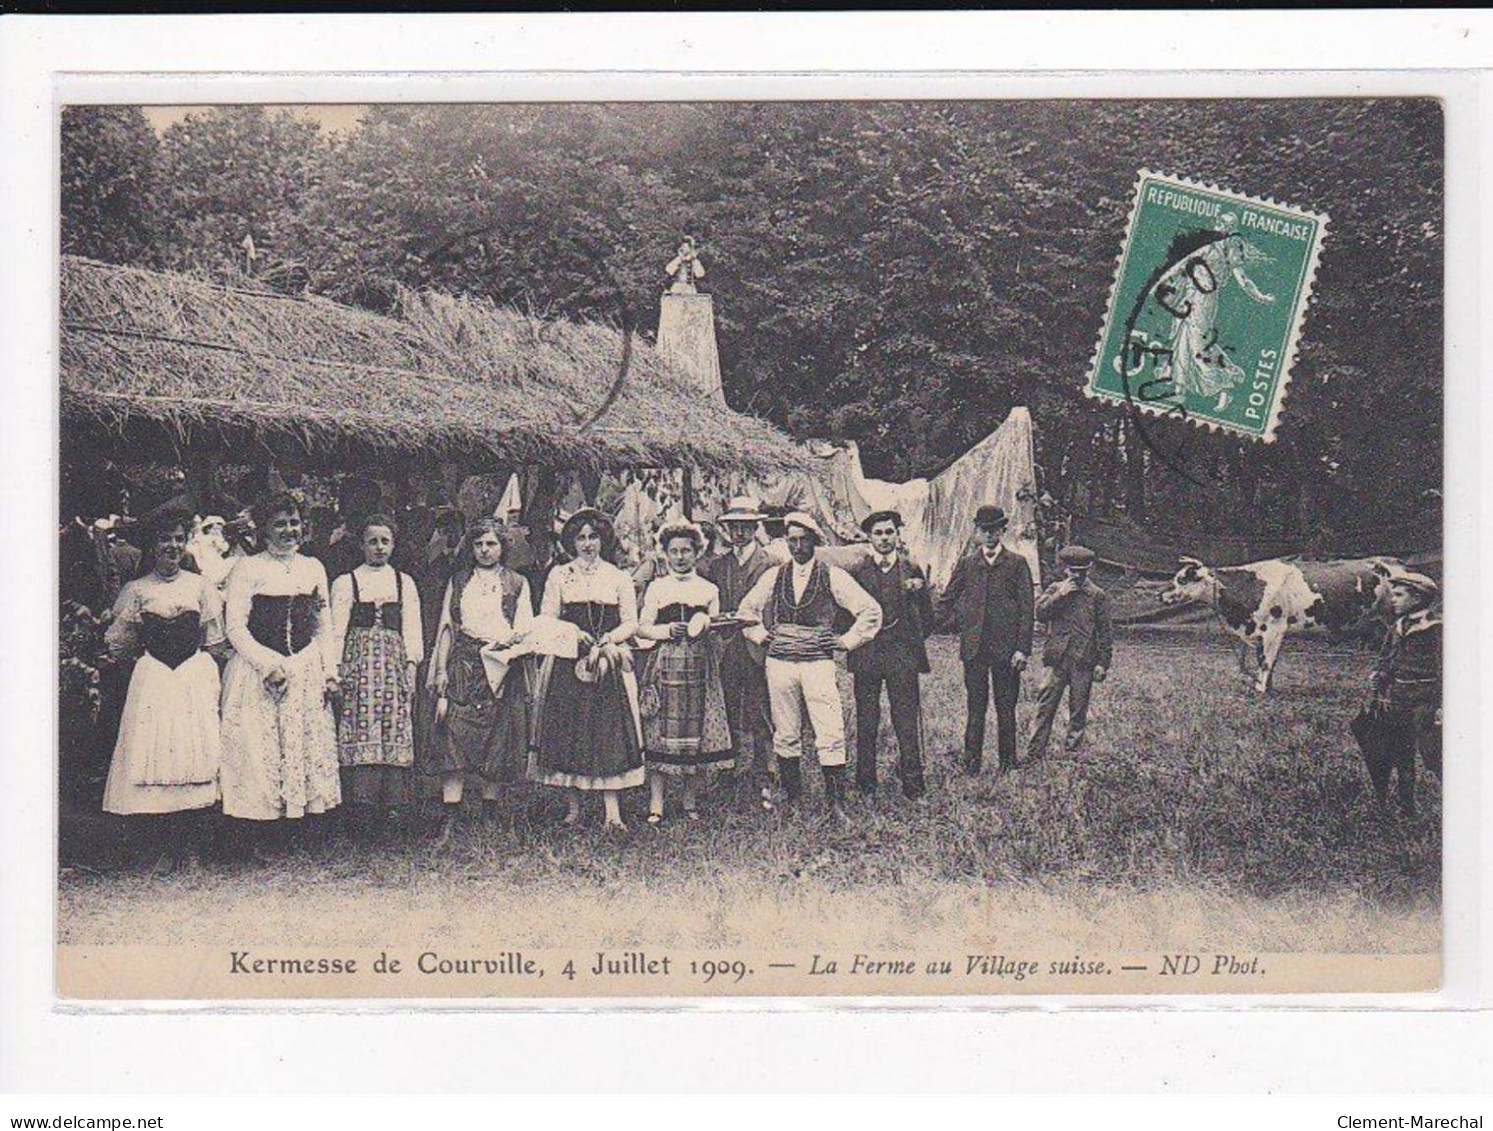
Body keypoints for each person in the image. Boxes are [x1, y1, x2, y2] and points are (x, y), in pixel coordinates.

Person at [101, 505, 225, 871]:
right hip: (154, 677)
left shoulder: (199, 586)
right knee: (154, 754)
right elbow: (118, 643)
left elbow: (214, 639)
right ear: (152, 545)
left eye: (178, 539)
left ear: (186, 542)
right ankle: (159, 848)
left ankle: (191, 848)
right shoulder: (136, 590)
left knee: (191, 752)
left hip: (191, 677)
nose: (172, 546)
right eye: (164, 540)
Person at [219, 492, 341, 845]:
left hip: (304, 666)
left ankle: (299, 826)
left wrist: (329, 671)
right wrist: (267, 665)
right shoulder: (247, 567)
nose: (289, 530)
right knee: (260, 746)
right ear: (264, 529)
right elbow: (235, 628)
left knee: (303, 742)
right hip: (259, 669)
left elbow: (323, 625)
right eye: (280, 524)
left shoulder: (313, 567)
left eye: (294, 523)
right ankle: (257, 828)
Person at [738, 512, 881, 812]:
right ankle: (793, 799)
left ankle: (835, 804)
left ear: (815, 542)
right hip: (780, 663)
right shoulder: (774, 575)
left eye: (804, 540)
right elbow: (747, 611)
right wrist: (762, 636)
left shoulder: (832, 575)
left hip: (818, 663)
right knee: (786, 731)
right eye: (793, 540)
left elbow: (870, 611)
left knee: (829, 730)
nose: (798, 547)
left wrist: (845, 641)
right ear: (786, 542)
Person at [530, 508, 644, 830]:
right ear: (571, 542)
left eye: (593, 536)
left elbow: (631, 622)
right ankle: (573, 808)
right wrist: (572, 633)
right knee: (569, 730)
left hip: (607, 659)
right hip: (569, 658)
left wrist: (610, 639)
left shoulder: (618, 577)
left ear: (603, 539)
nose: (587, 544)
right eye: (580, 537)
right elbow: (546, 617)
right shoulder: (560, 575)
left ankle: (612, 813)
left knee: (608, 732)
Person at [430, 518, 534, 845]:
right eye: (479, 544)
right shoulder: (459, 581)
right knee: (454, 735)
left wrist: (507, 650)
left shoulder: (517, 583)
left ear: (503, 547)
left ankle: (490, 812)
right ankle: (451, 816)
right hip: (463, 662)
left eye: (491, 544)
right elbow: (448, 626)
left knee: (498, 738)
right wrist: (441, 669)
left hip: (502, 664)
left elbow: (524, 629)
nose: (485, 551)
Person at [330, 515, 424, 839]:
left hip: (393, 665)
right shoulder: (347, 582)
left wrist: (411, 667)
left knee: (393, 727)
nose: (379, 547)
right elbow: (336, 631)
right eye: (373, 541)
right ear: (362, 545)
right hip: (360, 663)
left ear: (394, 545)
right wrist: (337, 671)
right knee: (361, 725)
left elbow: (413, 629)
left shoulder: (404, 582)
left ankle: (394, 808)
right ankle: (361, 808)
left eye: (385, 541)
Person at [636, 520, 733, 824]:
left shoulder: (708, 589)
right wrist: (665, 630)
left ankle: (689, 801)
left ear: (697, 553)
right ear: (664, 554)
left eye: (686, 551)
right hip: (664, 663)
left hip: (699, 664)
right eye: (674, 551)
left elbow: (718, 631)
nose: (680, 557)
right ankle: (656, 804)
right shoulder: (657, 587)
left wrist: (707, 628)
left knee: (694, 733)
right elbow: (641, 629)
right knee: (659, 734)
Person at [937, 505, 1034, 774]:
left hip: (1006, 651)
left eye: (995, 530)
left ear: (1003, 531)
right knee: (975, 708)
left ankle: (1007, 763)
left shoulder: (1017, 564)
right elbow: (947, 599)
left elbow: (1027, 609)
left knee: (1006, 708)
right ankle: (971, 764)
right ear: (977, 532)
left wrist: (1022, 649)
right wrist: (922, 628)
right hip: (975, 649)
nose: (990, 535)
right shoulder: (968, 564)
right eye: (984, 530)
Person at [847, 509, 933, 800]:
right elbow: (846, 617)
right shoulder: (857, 573)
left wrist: (911, 642)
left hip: (901, 656)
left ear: (898, 535)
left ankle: (914, 787)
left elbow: (928, 617)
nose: (884, 538)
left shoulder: (911, 569)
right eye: (878, 533)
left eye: (889, 532)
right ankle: (866, 785)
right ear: (869, 538)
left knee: (906, 721)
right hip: (867, 657)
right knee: (867, 722)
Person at [701, 497, 777, 800]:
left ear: (756, 527)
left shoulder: (771, 563)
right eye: (734, 527)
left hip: (758, 646)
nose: (740, 533)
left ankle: (764, 772)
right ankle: (727, 768)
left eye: (746, 527)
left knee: (760, 710)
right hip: (727, 647)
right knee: (728, 708)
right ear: (726, 530)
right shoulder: (718, 565)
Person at [1364, 567, 1442, 816]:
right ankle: (1406, 808)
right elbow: (1387, 657)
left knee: (1432, 754)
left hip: (1427, 698)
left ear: (1417, 598)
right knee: (1401, 754)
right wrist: (1379, 675)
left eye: (1398, 595)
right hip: (1398, 697)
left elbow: (1447, 666)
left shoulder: (1436, 628)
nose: (1392, 600)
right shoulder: (1396, 626)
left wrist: (1443, 704)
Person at [1027, 544, 1112, 760]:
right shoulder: (1055, 589)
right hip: (1056, 658)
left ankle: (1073, 752)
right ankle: (1035, 752)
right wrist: (1060, 595)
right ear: (1066, 570)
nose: (1077, 576)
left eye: (1082, 571)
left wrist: (1103, 663)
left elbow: (1105, 633)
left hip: (1083, 660)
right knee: (1045, 706)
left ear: (1089, 569)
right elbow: (1040, 613)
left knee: (1078, 709)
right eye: (1073, 571)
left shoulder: (1097, 596)